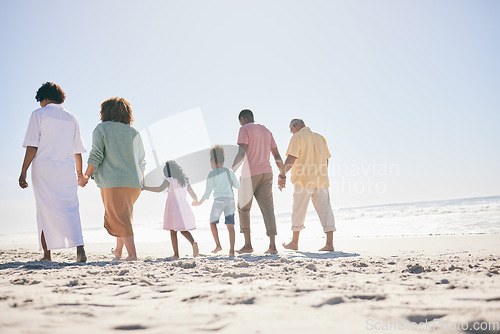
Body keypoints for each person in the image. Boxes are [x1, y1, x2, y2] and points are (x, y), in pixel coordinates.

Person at [19, 82, 87, 262]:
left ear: (45, 98)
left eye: (40, 100)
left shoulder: (38, 115)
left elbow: (32, 146)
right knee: (71, 208)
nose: (40, 103)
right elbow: (77, 150)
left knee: (44, 209)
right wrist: (80, 174)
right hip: (66, 170)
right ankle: (80, 250)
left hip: (44, 169)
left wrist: (23, 171)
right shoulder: (71, 117)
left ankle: (47, 255)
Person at [79, 97, 145, 261]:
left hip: (114, 181)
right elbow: (141, 160)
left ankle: (132, 255)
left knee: (120, 218)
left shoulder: (102, 128)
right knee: (123, 216)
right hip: (134, 183)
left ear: (105, 111)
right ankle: (118, 251)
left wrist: (86, 175)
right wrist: (141, 181)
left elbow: (96, 154)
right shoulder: (134, 132)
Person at [232, 109, 284, 254]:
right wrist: (283, 173)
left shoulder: (244, 129)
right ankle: (273, 247)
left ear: (243, 119)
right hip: (267, 173)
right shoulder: (267, 131)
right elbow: (277, 155)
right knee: (268, 209)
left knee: (243, 208)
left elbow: (241, 153)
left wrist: (231, 172)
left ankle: (248, 245)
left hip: (250, 175)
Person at [279, 118, 336, 251]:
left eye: (291, 131)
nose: (291, 133)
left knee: (298, 210)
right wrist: (322, 172)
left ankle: (294, 243)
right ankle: (329, 244)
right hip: (321, 180)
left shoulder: (297, 137)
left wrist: (282, 174)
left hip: (303, 179)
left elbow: (291, 157)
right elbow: (326, 159)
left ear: (294, 127)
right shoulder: (320, 137)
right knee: (326, 210)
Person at [143, 161, 199, 258]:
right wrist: (196, 201)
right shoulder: (184, 180)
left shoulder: (169, 180)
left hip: (173, 207)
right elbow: (193, 194)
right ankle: (193, 242)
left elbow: (159, 189)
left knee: (173, 231)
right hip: (184, 206)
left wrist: (145, 188)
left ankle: (176, 254)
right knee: (183, 229)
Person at [193, 145, 240, 256]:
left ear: (213, 162)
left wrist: (199, 202)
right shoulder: (229, 172)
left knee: (212, 223)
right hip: (230, 201)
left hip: (218, 201)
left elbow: (207, 192)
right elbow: (237, 186)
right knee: (230, 225)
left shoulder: (212, 174)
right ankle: (232, 251)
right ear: (223, 161)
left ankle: (218, 245)